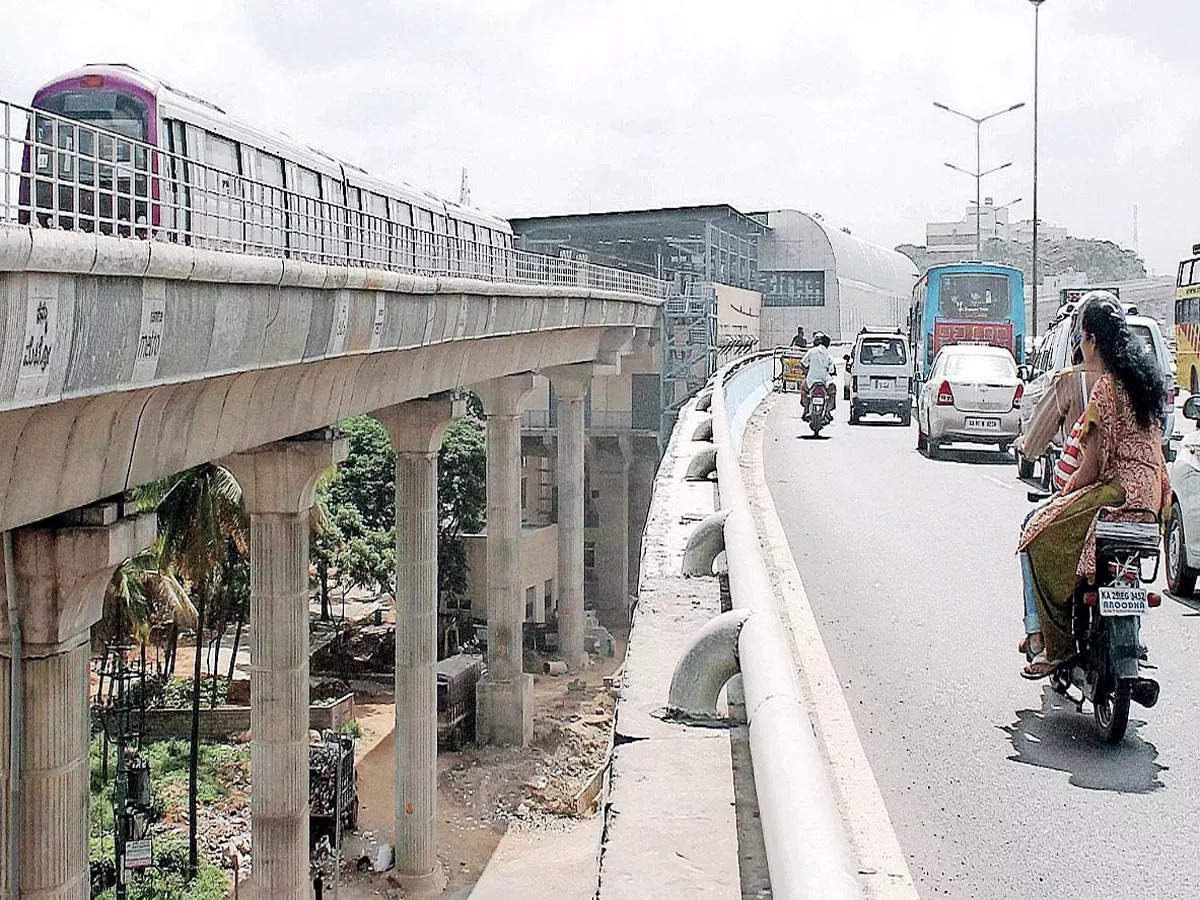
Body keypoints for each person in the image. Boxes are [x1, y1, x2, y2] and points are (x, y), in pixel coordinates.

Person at [1017, 295, 1169, 678]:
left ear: (1093, 341)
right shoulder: (1143, 384)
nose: (1080, 345)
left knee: (1035, 533)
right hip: (1152, 498)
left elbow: (1089, 468)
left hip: (1117, 494)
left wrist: (1065, 491)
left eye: (1082, 336)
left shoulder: (1104, 389)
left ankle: (1051, 644)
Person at [1011, 293, 1107, 658]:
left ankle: (1037, 633)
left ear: (1090, 340)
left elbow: (1036, 439)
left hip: (1081, 493)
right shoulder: (1129, 381)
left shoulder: (1072, 381)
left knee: (1029, 531)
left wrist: (1025, 448)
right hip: (1128, 502)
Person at [800, 333, 837, 419]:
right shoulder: (828, 355)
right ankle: (827, 411)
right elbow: (831, 370)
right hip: (825, 381)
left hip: (811, 380)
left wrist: (806, 372)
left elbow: (802, 363)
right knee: (832, 391)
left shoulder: (812, 351)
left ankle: (806, 409)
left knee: (803, 388)